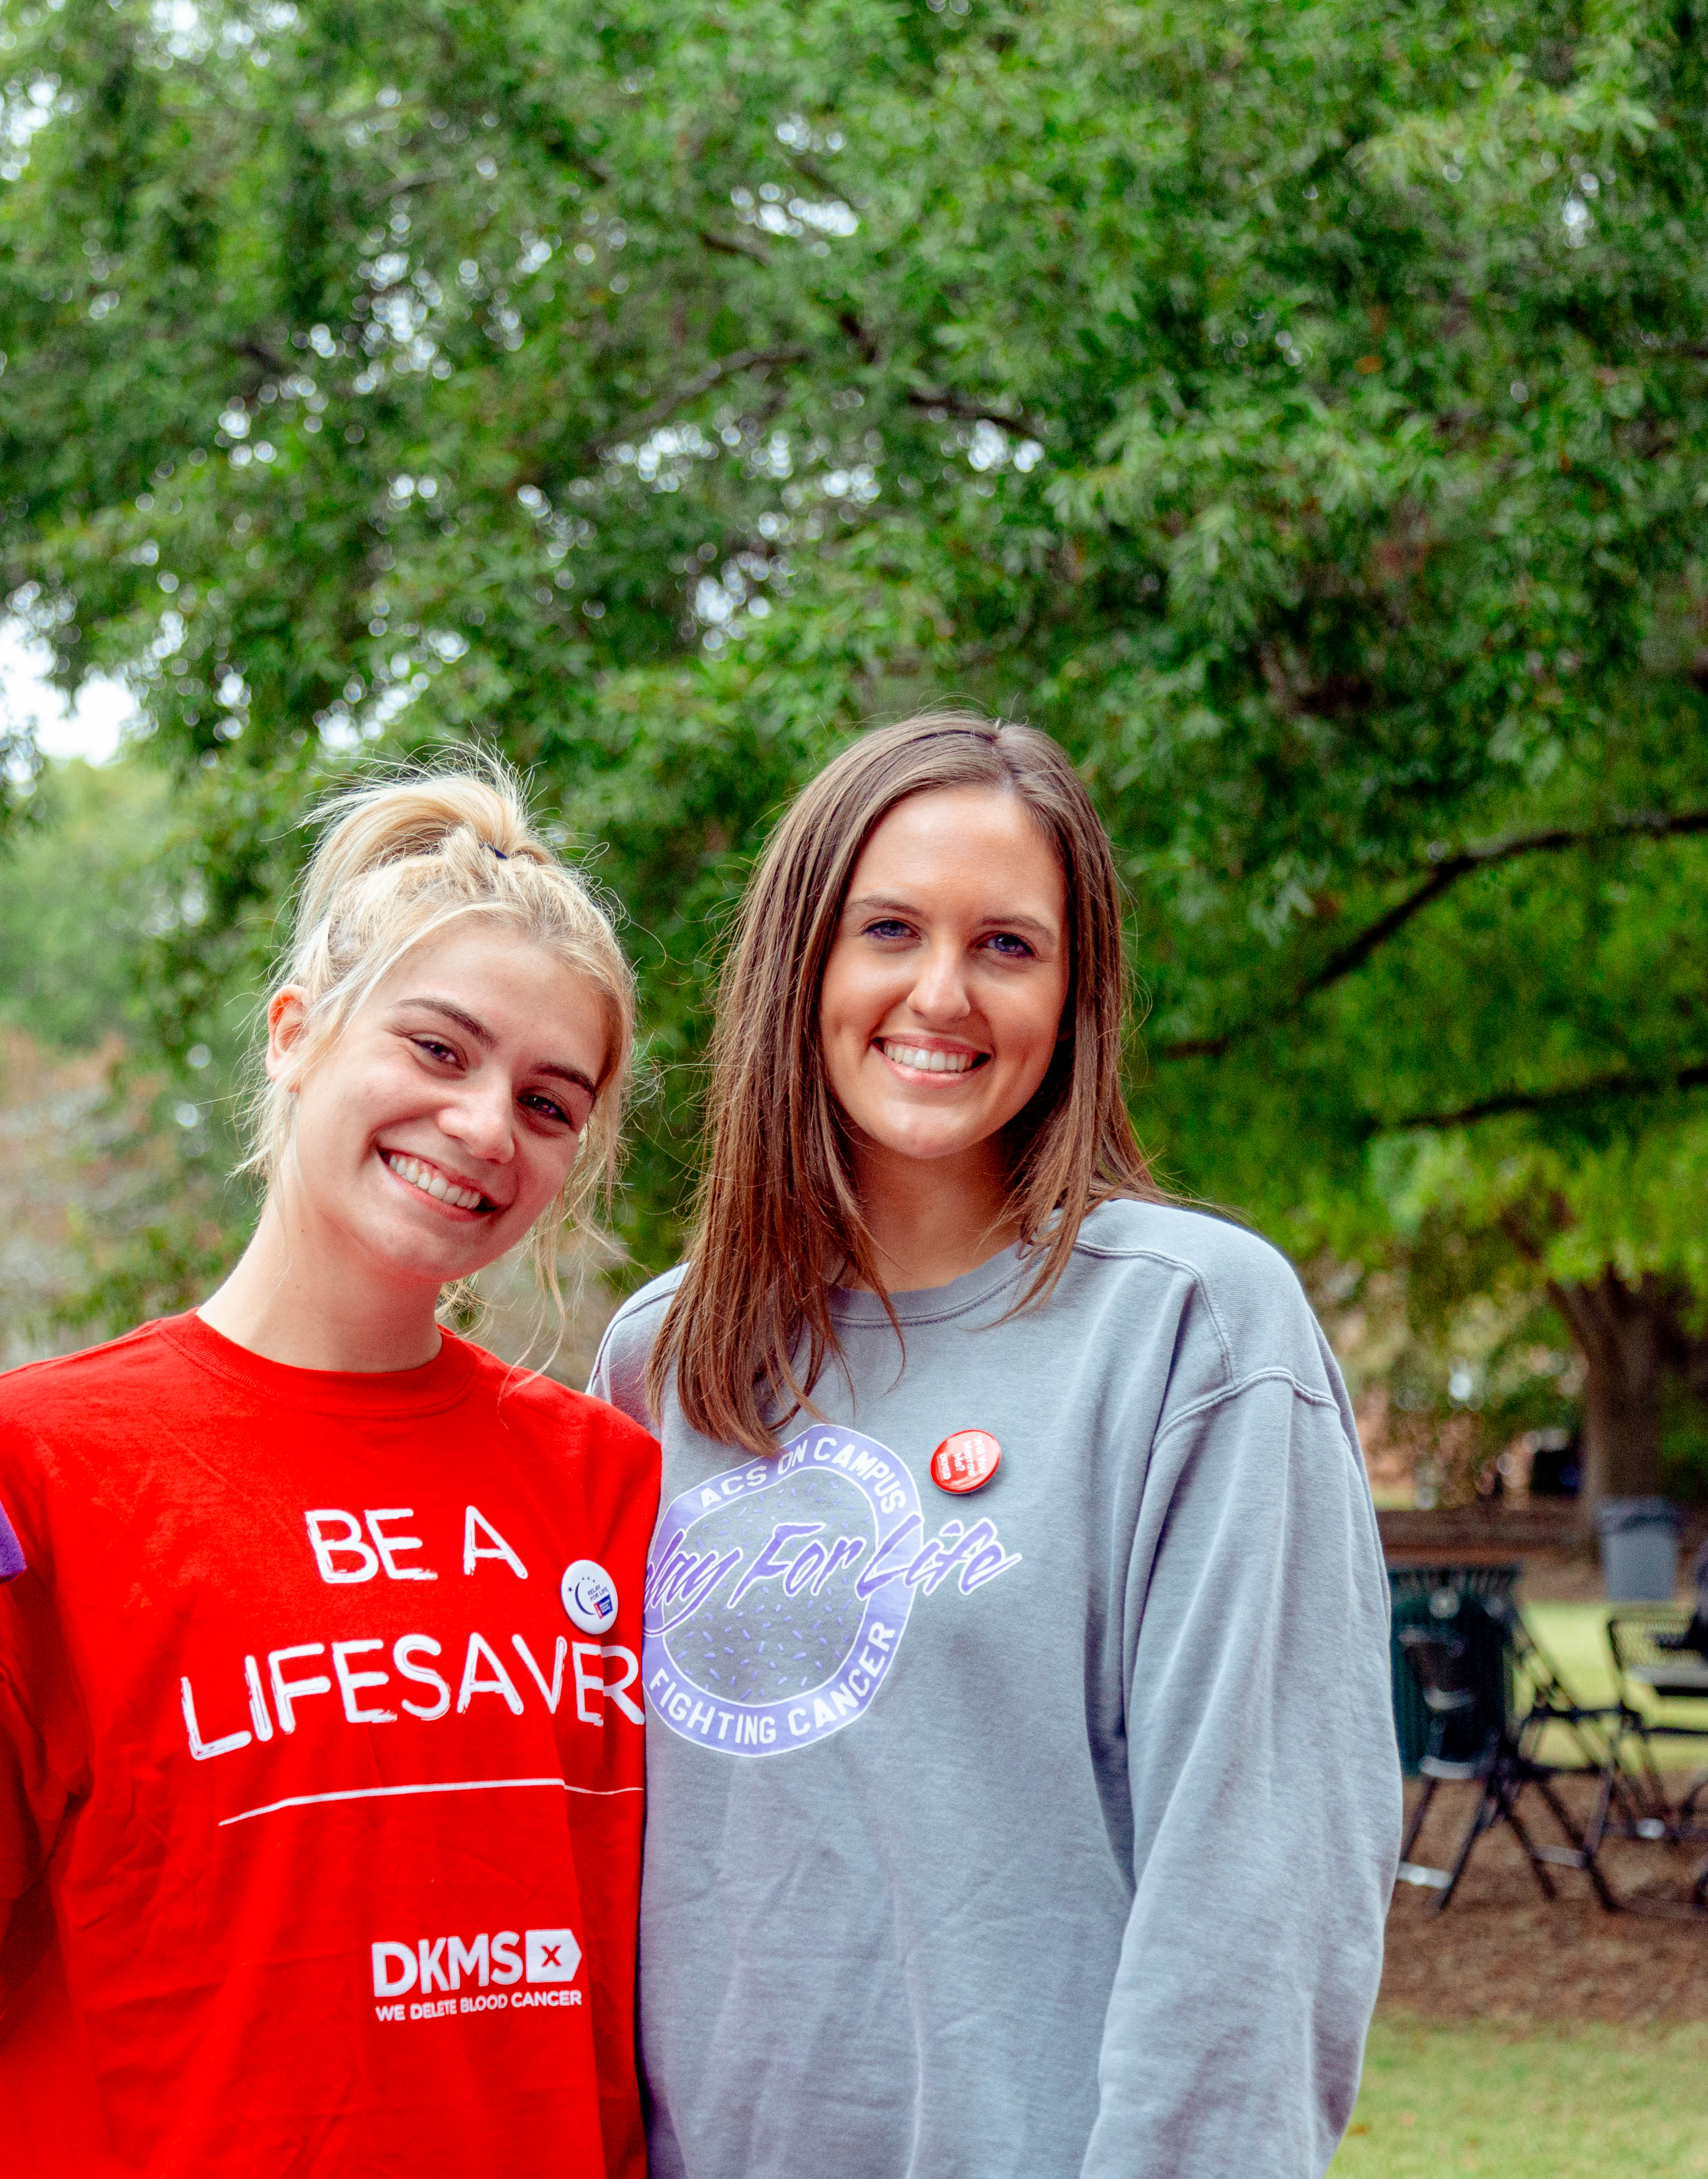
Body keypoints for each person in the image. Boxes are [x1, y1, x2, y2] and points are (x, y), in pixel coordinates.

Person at [0, 770, 661, 2175]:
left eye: (549, 1103)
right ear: (296, 1031)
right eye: (435, 1048)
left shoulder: (612, 1481)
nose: (486, 1125)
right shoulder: (29, 1465)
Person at [591, 712, 1399, 2177]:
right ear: (801, 966)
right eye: (888, 928)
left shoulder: (1194, 1333)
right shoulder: (662, 1358)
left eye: (1009, 947)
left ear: (1076, 995)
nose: (942, 993)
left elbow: (1256, 1899)